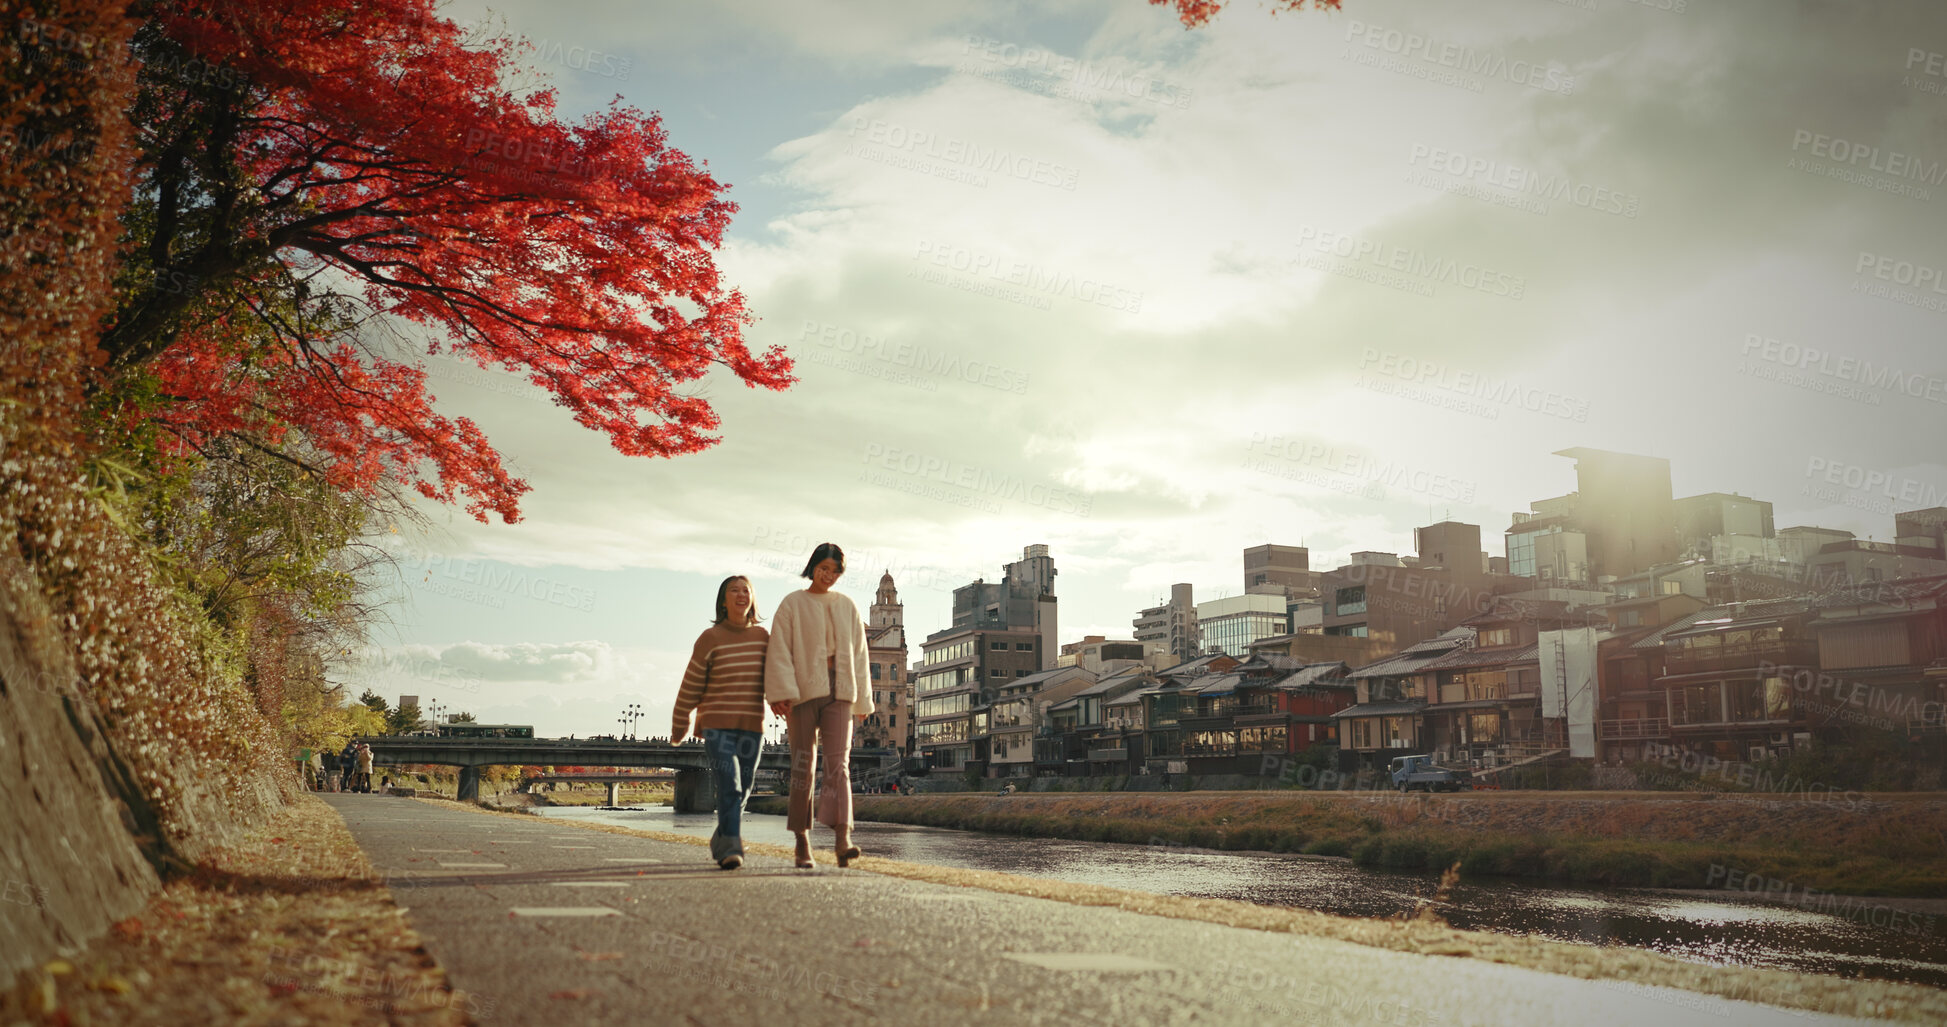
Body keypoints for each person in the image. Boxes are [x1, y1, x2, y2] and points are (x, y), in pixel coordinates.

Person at [766, 543, 874, 869]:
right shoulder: (792, 604)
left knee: (838, 764)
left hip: (840, 691)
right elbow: (779, 649)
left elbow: (859, 653)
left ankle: (843, 838)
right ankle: (802, 840)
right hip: (801, 693)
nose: (828, 576)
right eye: (823, 568)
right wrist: (779, 692)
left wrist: (863, 699)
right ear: (813, 566)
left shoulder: (847, 606)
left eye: (834, 571)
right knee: (802, 765)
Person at [670, 575, 770, 870]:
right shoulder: (709, 638)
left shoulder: (763, 638)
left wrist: (789, 703)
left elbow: (777, 676)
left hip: (753, 724)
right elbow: (691, 682)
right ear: (723, 601)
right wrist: (680, 720)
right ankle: (731, 848)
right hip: (717, 725)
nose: (741, 595)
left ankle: (722, 836)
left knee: (746, 787)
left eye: (746, 590)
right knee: (731, 786)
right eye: (734, 591)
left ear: (752, 599)